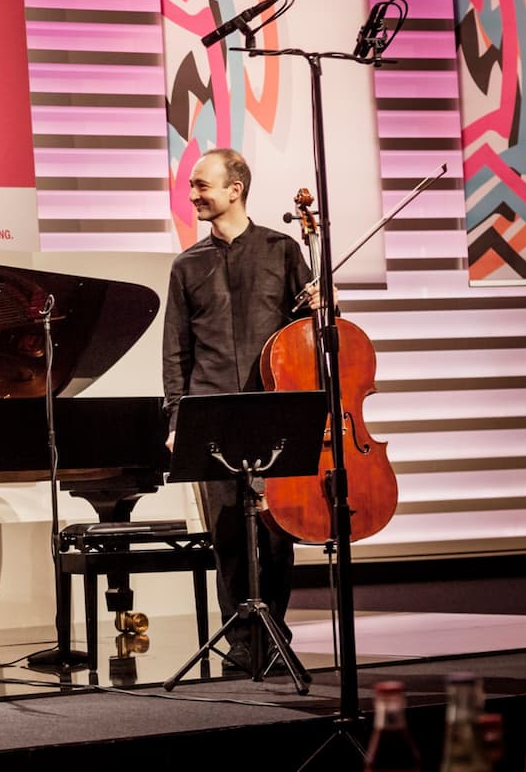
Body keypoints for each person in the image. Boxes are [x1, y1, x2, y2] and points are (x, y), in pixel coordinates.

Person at [162, 148, 318, 673]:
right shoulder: (186, 265)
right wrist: (176, 418)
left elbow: (312, 333)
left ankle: (274, 631)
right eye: (192, 187)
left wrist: (326, 308)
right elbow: (176, 351)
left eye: (202, 186)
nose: (193, 196)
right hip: (212, 415)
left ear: (236, 189)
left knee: (276, 534)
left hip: (273, 410)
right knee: (227, 535)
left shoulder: (282, 249)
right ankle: (242, 642)